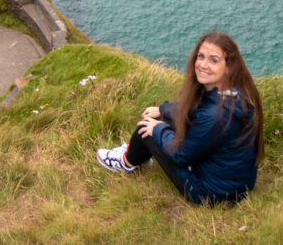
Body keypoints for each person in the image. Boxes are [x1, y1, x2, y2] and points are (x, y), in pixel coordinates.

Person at [95, 32, 264, 204]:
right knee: (164, 121)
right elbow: (194, 109)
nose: (203, 64)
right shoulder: (236, 93)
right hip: (237, 185)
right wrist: (162, 110)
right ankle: (137, 154)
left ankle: (126, 162)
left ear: (229, 67)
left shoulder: (214, 116)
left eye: (213, 60)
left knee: (145, 129)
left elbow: (182, 154)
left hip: (211, 193)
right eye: (201, 56)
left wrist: (158, 129)